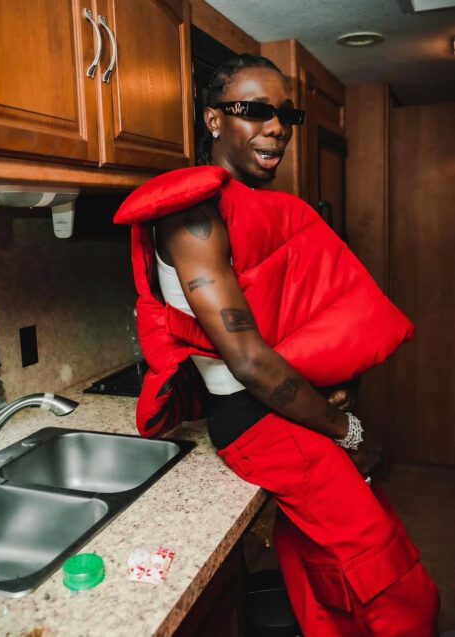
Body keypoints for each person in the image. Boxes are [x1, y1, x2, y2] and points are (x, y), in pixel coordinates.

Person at [116, 55, 440, 636]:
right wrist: (348, 432)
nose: (277, 128)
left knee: (321, 566)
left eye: (285, 115)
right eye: (255, 111)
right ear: (214, 120)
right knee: (386, 575)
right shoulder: (193, 220)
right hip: (259, 420)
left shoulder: (255, 207)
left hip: (290, 409)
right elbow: (247, 360)